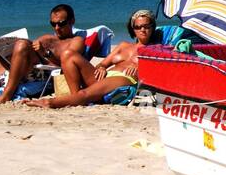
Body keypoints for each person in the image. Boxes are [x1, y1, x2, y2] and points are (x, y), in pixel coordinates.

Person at [27, 9, 156, 109]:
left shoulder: (157, 49)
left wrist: (140, 70)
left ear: (152, 27)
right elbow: (102, 64)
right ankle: (75, 98)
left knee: (84, 94)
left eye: (147, 26)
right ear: (133, 28)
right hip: (105, 76)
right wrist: (101, 68)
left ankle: (49, 102)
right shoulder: (123, 46)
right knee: (68, 54)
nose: (142, 30)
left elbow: (159, 73)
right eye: (138, 27)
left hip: (124, 78)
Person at [0, 4, 85, 104]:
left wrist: (45, 53)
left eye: (61, 23)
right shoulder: (47, 38)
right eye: (53, 24)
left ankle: (6, 95)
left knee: (22, 45)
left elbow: (69, 62)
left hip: (40, 79)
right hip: (14, 75)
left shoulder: (76, 41)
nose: (57, 28)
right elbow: (25, 53)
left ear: (72, 21)